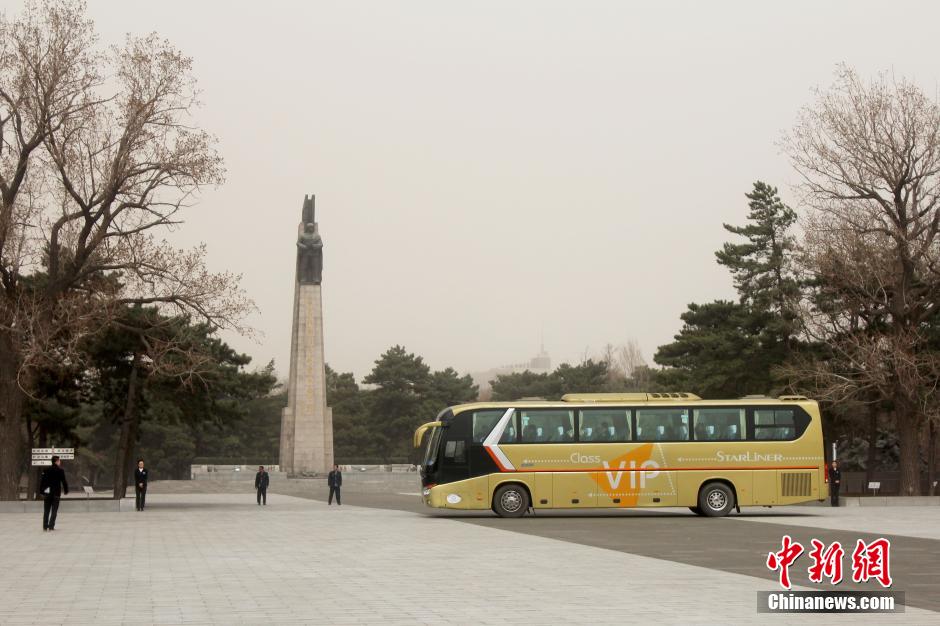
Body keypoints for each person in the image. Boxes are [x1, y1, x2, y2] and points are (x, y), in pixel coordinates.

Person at [39, 455, 69, 531]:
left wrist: (41, 491)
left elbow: (42, 481)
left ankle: (45, 526)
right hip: (56, 493)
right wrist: (66, 490)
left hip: (47, 492)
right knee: (54, 510)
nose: (60, 462)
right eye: (59, 461)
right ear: (56, 461)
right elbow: (64, 481)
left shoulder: (46, 470)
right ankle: (51, 526)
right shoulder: (60, 470)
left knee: (46, 510)